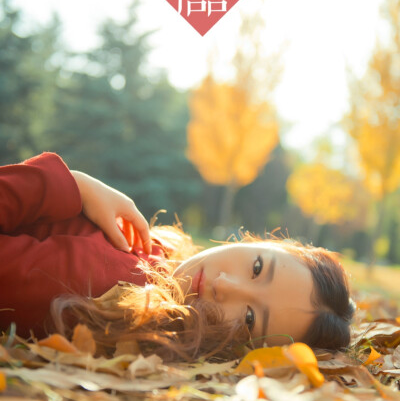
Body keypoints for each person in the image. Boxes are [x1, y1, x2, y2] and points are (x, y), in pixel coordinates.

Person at [0, 152, 354, 361]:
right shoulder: (163, 258)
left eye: (248, 319)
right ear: (258, 240)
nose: (224, 285)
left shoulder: (109, 289)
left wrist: (74, 186)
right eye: (257, 267)